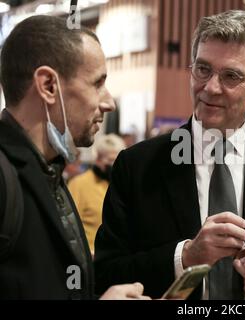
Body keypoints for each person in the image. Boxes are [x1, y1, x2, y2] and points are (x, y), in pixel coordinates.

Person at [94, 10, 245, 300]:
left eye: (231, 76)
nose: (211, 88)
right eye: (202, 69)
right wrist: (186, 256)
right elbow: (105, 275)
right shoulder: (137, 165)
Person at [0, 15, 149, 300]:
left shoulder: (49, 172)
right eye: (97, 83)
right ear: (48, 86)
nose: (109, 102)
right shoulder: (6, 179)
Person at [68, 134, 125, 254]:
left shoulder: (120, 185)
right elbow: (69, 226)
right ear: (98, 158)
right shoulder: (79, 184)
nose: (114, 165)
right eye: (110, 160)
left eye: (118, 160)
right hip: (90, 256)